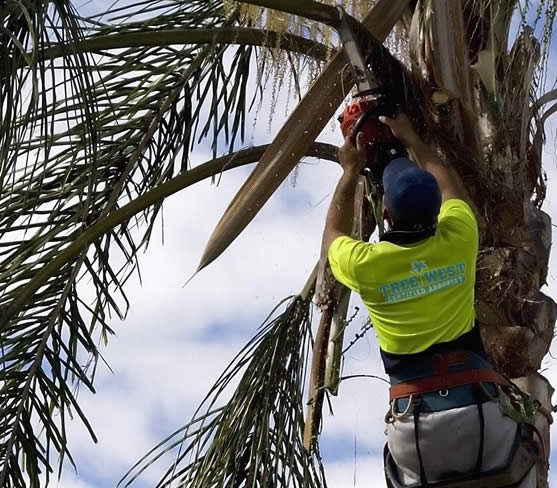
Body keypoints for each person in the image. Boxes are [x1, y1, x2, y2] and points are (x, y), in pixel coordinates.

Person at [322, 113, 537, 487]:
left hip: (416, 431)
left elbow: (332, 236)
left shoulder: (367, 266)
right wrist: (416, 141)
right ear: (436, 211)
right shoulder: (459, 238)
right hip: (481, 419)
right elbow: (450, 186)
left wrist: (349, 171)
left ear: (386, 214)